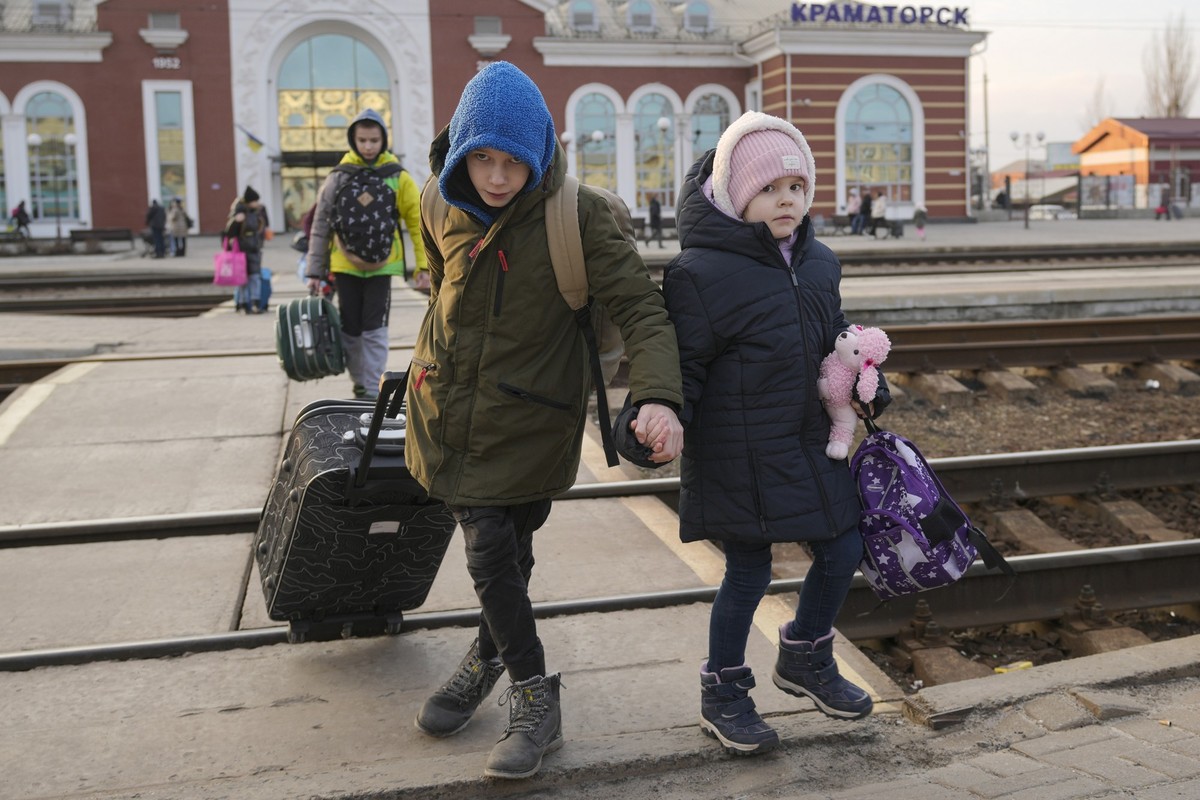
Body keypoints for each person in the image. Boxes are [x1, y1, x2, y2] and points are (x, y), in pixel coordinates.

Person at [406, 61, 684, 780]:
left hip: (533, 424)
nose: (497, 178)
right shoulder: (440, 201)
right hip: (448, 414)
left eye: (513, 162)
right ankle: (533, 694)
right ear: (462, 151)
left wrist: (656, 397)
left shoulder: (577, 217)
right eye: (484, 159)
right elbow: (442, 287)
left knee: (511, 554)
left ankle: (480, 658)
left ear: (540, 155)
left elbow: (643, 313)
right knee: (491, 551)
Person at [661, 110, 891, 756]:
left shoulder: (820, 264)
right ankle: (724, 691)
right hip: (740, 453)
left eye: (795, 186)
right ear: (738, 197)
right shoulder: (698, 275)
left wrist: (865, 379)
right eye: (768, 189)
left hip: (809, 439)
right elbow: (684, 370)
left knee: (844, 548)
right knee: (748, 572)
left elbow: (834, 341)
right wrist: (660, 416)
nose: (785, 200)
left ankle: (805, 656)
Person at [305, 108, 425, 400]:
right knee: (351, 329)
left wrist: (424, 265)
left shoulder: (398, 176)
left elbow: (418, 222)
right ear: (353, 140)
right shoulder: (339, 176)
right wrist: (314, 272)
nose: (368, 146)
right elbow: (321, 224)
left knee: (375, 327)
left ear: (383, 140)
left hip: (381, 268)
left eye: (373, 140)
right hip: (345, 265)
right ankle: (361, 382)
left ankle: (371, 387)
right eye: (362, 140)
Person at [224, 186, 268, 312]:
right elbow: (229, 233)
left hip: (254, 249)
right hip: (241, 251)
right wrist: (236, 221)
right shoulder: (239, 214)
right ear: (249, 201)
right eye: (255, 201)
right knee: (241, 278)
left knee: (255, 277)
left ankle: (255, 303)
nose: (258, 203)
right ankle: (242, 303)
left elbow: (260, 229)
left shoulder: (256, 212)